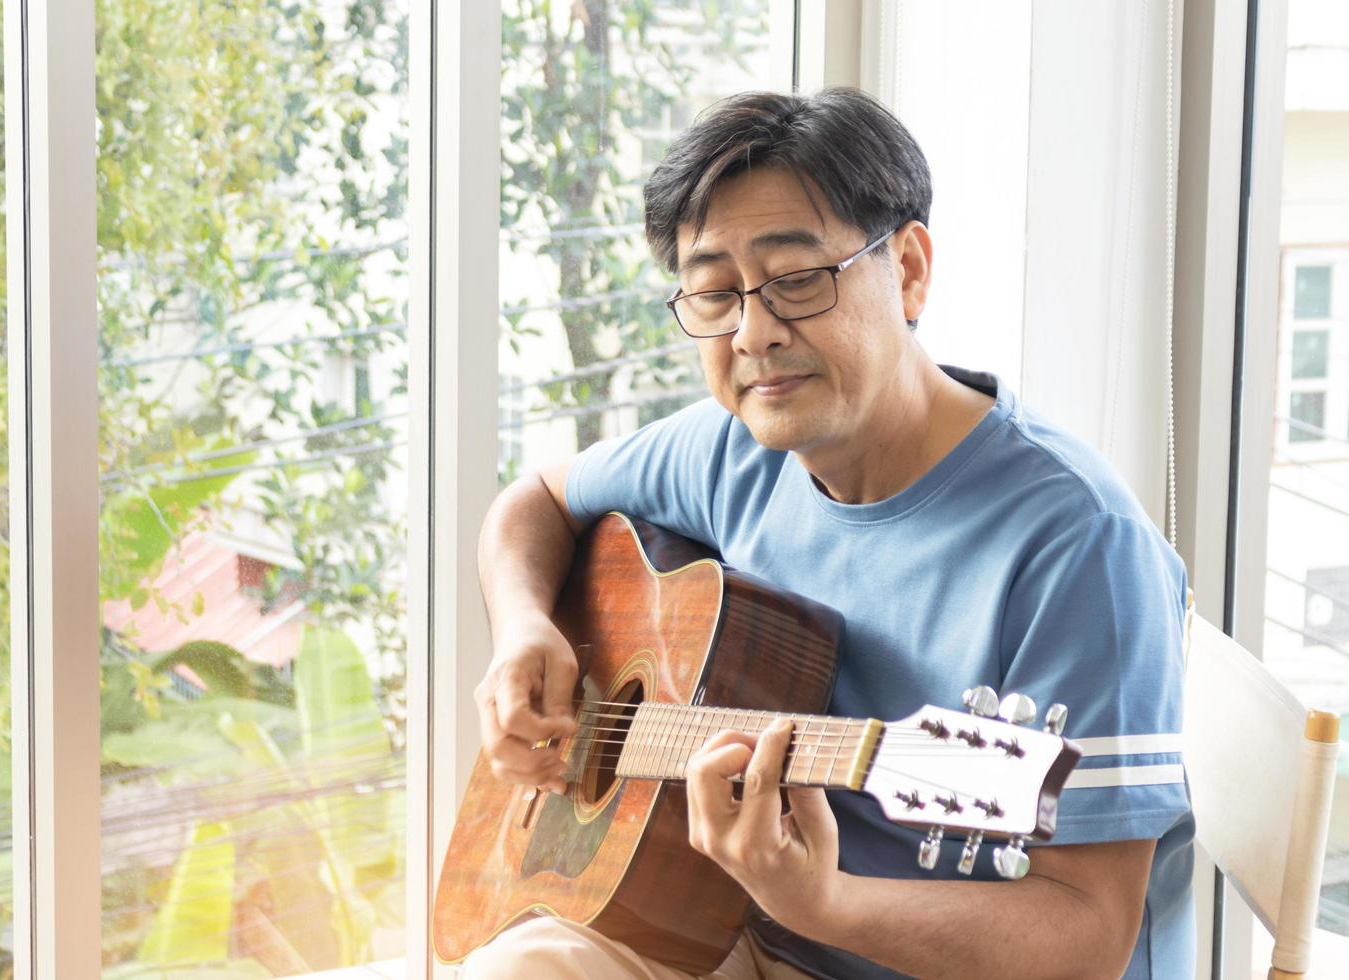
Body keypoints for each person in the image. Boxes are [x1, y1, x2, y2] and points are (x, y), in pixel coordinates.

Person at [464, 88, 1193, 979]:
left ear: (911, 270)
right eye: (713, 293)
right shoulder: (732, 448)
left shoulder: (1082, 544)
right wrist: (523, 631)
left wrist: (825, 901)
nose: (754, 333)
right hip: (748, 933)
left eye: (797, 280)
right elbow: (533, 499)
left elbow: (1086, 939)